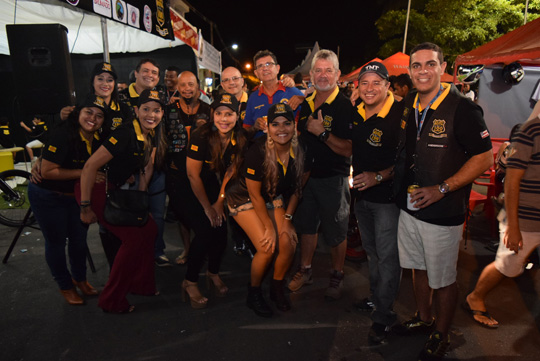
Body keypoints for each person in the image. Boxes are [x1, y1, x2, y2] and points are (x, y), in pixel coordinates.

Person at [393, 42, 493, 360]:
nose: (423, 71)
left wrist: (443, 188)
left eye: (430, 64)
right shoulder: (409, 102)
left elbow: (485, 157)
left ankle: (442, 334)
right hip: (410, 206)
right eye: (417, 65)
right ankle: (424, 319)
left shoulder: (462, 107)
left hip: (443, 209)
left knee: (444, 278)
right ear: (410, 71)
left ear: (442, 66)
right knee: (417, 268)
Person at [79, 89, 166, 313]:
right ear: (136, 110)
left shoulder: (152, 133)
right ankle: (111, 298)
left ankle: (141, 285)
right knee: (134, 239)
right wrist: (86, 206)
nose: (151, 115)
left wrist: (140, 201)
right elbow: (90, 166)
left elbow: (146, 168)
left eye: (156, 110)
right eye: (146, 109)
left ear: (162, 113)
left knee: (149, 229)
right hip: (96, 190)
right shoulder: (126, 132)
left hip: (118, 191)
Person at [226, 103, 309, 317]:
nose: (281, 129)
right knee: (266, 246)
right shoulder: (258, 151)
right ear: (268, 128)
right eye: (275, 124)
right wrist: (268, 227)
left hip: (272, 196)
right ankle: (253, 293)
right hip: (244, 197)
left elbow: (298, 189)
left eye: (286, 123)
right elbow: (254, 194)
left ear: (294, 125)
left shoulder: (301, 149)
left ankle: (276, 287)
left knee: (288, 242)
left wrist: (288, 219)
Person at [27, 94, 105, 305]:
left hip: (76, 197)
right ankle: (65, 285)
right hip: (48, 196)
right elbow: (48, 171)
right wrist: (84, 172)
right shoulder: (63, 133)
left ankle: (80, 279)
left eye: (99, 115)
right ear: (78, 112)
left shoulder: (98, 138)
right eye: (89, 112)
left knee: (79, 242)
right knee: (56, 243)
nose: (93, 118)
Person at [464, 113, 539, 329]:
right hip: (525, 217)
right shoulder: (532, 131)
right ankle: (475, 297)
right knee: (507, 266)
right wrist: (513, 226)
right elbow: (512, 179)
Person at [289, 49, 354, 301]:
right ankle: (305, 270)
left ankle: (337, 273)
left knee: (336, 230)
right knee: (307, 227)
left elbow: (349, 148)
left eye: (329, 70)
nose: (323, 75)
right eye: (319, 70)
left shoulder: (344, 105)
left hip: (333, 179)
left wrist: (322, 133)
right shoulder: (306, 102)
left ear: (338, 74)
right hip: (306, 178)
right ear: (311, 74)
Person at [351, 61, 403, 345]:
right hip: (362, 198)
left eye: (376, 83)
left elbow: (407, 161)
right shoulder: (356, 112)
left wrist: (379, 177)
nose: (369, 88)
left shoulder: (399, 115)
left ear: (387, 86)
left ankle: (384, 316)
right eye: (365, 83)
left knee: (387, 259)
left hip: (387, 201)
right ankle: (376, 300)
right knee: (372, 255)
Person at [181, 93, 248, 309]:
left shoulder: (241, 136)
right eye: (219, 113)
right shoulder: (201, 135)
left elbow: (231, 171)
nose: (223, 119)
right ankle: (189, 281)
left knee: (220, 232)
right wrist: (207, 208)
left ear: (237, 116)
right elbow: (192, 175)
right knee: (205, 232)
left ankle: (213, 273)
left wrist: (219, 202)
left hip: (216, 187)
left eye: (229, 114)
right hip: (191, 188)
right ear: (213, 114)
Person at [166, 70, 212, 265]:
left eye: (190, 84)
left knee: (204, 212)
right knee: (182, 216)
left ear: (197, 86)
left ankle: (203, 248)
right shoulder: (169, 110)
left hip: (202, 172)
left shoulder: (208, 109)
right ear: (177, 87)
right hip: (177, 173)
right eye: (183, 85)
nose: (187, 89)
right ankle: (187, 249)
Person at [243, 50, 304, 138]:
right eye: (260, 66)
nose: (265, 68)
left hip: (290, 147)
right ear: (256, 73)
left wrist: (303, 99)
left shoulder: (293, 92)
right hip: (261, 148)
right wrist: (255, 127)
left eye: (269, 64)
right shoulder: (253, 98)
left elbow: (309, 118)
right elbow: (246, 130)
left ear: (277, 68)